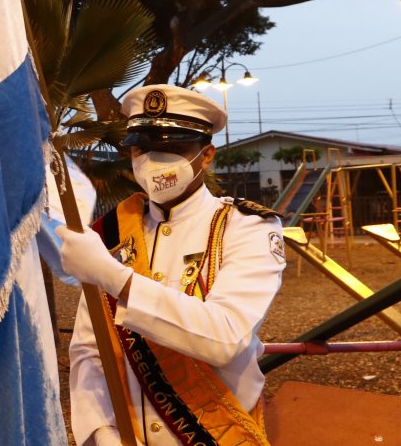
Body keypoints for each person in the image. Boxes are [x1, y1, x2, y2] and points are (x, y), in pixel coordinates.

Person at [57, 84, 286, 446]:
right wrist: (101, 432)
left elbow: (226, 337)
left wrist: (116, 278)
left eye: (172, 148)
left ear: (206, 155)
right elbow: (89, 349)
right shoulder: (114, 231)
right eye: (141, 148)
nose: (152, 160)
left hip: (212, 435)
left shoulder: (246, 227)